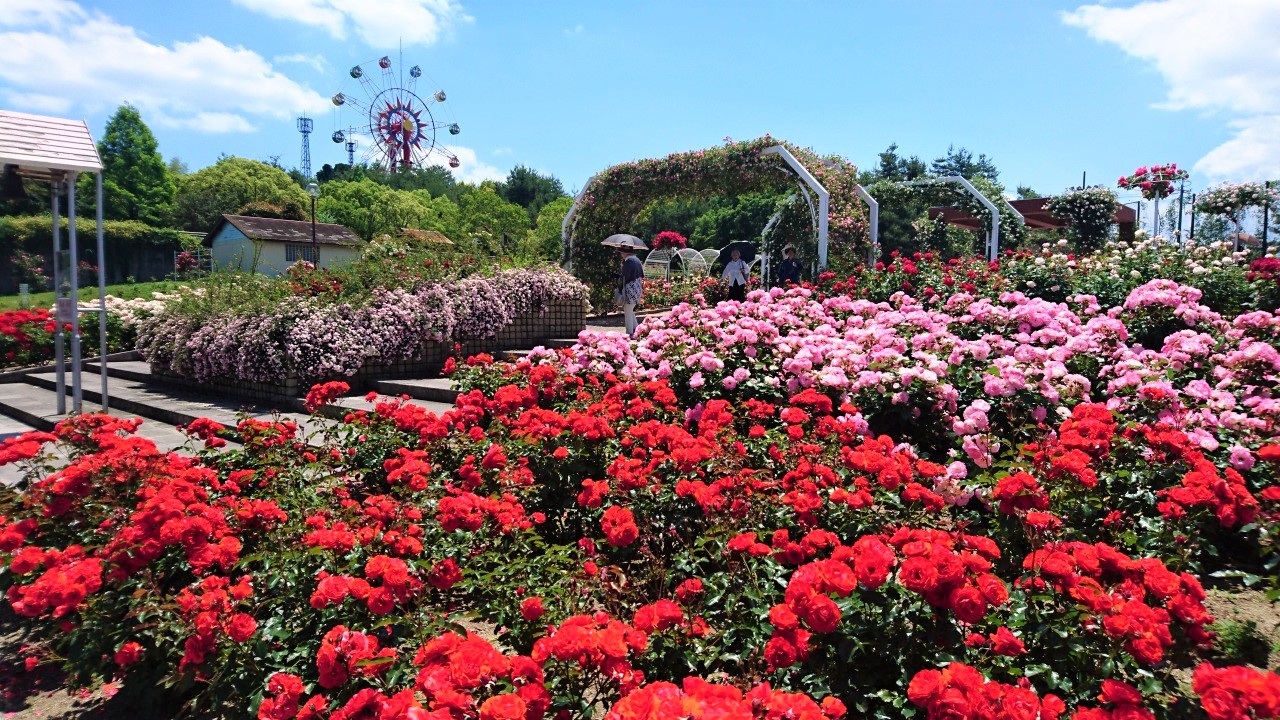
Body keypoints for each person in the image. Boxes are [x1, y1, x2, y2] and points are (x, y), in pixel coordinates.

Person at [617, 245, 645, 337]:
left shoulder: (628, 261)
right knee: (630, 309)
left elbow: (625, 277)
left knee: (628, 311)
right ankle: (638, 330)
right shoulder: (636, 260)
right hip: (637, 288)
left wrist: (620, 288)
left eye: (621, 252)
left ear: (624, 252)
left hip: (630, 289)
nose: (621, 254)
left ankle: (629, 333)